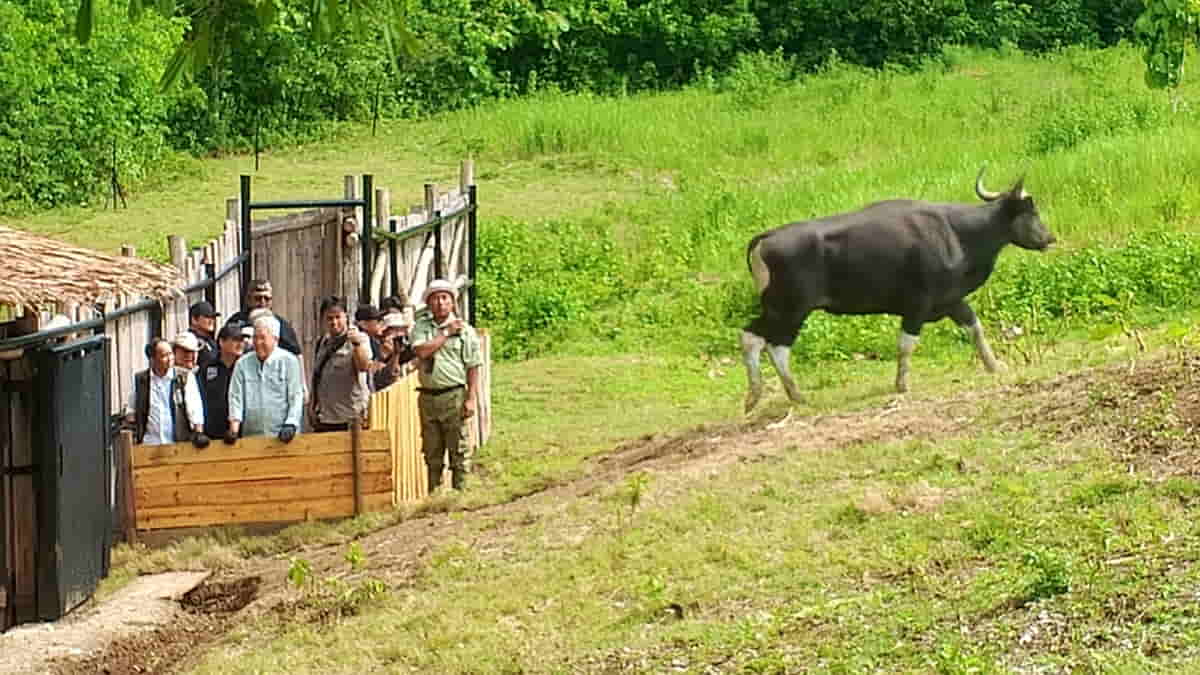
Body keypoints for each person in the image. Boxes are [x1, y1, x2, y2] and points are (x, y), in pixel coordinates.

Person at [411, 279, 482, 491]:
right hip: (428, 397)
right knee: (432, 450)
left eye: (445, 298)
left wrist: (471, 399)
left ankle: (460, 493)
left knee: (458, 448)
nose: (440, 303)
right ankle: (434, 494)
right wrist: (445, 334)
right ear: (429, 303)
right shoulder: (422, 328)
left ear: (452, 303)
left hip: (454, 395)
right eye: (435, 299)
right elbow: (421, 351)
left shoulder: (465, 331)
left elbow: (473, 366)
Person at [226, 315, 304, 442]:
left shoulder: (289, 361)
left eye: (262, 338)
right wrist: (234, 428)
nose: (257, 343)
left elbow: (296, 395)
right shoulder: (242, 363)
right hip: (251, 436)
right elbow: (235, 397)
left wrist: (291, 423)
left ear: (275, 339)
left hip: (283, 436)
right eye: (255, 338)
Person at [126, 337, 207, 447]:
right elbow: (131, 410)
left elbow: (195, 408)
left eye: (171, 354)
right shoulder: (141, 380)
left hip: (178, 444)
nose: (170, 358)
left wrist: (198, 433)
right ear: (152, 359)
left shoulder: (184, 377)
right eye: (164, 356)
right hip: (149, 444)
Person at [310, 296, 373, 432]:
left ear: (346, 317)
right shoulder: (322, 343)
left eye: (338, 317)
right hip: (326, 418)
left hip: (351, 418)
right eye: (329, 318)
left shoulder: (360, 339)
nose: (334, 322)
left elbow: (364, 366)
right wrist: (312, 405)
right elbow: (317, 376)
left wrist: (356, 344)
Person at [224, 279, 302, 355]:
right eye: (258, 298)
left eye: (267, 298)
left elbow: (296, 353)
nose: (262, 302)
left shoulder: (280, 323)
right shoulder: (236, 321)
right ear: (248, 299)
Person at [200, 323, 244, 440]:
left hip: (240, 431)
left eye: (242, 340)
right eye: (235, 340)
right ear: (221, 342)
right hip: (212, 432)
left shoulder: (246, 367)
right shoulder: (207, 367)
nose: (240, 344)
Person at [373, 311, 416, 392]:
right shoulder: (375, 351)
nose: (399, 334)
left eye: (402, 330)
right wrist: (395, 354)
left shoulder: (409, 352)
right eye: (395, 330)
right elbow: (384, 379)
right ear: (384, 333)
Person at [188, 300, 220, 366]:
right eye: (207, 317)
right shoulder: (188, 340)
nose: (212, 321)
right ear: (194, 319)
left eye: (213, 317)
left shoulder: (211, 341)